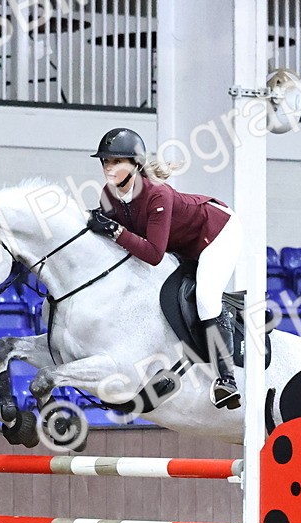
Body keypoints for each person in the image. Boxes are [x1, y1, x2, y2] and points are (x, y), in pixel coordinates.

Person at [85, 127, 243, 409]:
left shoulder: (157, 194)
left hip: (216, 233)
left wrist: (113, 230)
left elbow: (154, 254)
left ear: (135, 165)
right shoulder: (107, 196)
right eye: (106, 162)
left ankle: (226, 379)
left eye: (116, 162)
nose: (109, 168)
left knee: (206, 299)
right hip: (181, 245)